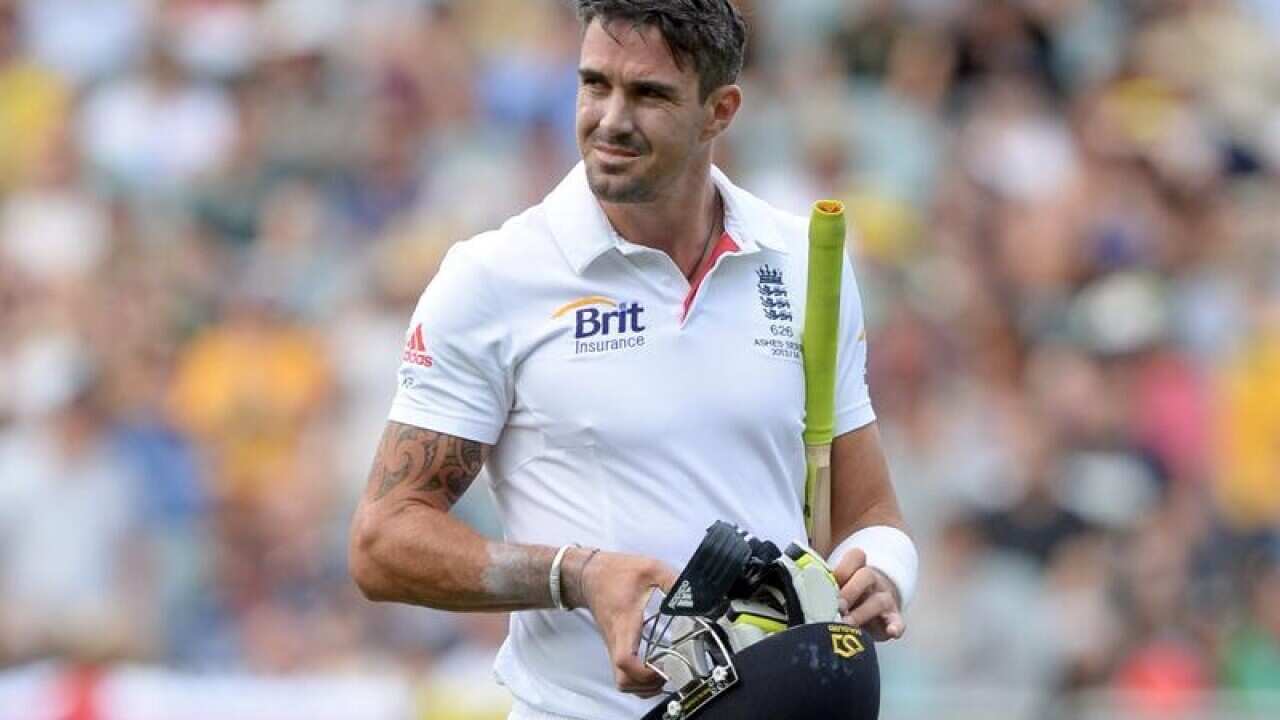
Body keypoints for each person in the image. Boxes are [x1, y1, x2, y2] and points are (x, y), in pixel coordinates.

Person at [348, 2, 916, 718]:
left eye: (649, 94)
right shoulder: (494, 277)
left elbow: (866, 513)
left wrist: (887, 571)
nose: (610, 118)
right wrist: (575, 575)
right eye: (594, 85)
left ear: (721, 110)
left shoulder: (804, 261)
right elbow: (383, 539)